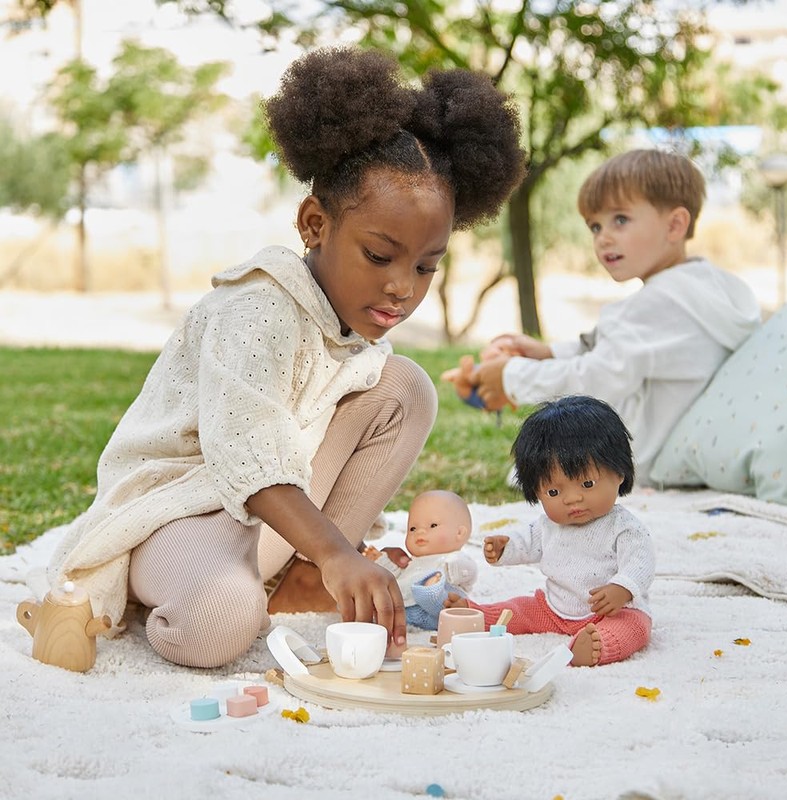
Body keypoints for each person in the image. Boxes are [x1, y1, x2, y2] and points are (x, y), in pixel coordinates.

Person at [45, 47, 527, 668]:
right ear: (314, 224)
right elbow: (248, 452)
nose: (403, 286)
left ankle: (299, 583)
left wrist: (327, 554)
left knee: (405, 386)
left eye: (426, 265)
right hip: (180, 512)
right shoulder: (256, 309)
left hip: (268, 517)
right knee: (219, 622)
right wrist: (337, 552)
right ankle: (147, 598)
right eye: (380, 256)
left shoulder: (348, 325)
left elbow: (306, 449)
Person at [442, 148, 761, 483]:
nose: (603, 238)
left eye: (620, 220)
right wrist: (548, 353)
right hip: (687, 449)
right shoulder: (706, 290)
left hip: (641, 464)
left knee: (545, 469)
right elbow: (618, 350)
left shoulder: (657, 303)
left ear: (675, 225)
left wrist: (513, 377)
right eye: (595, 226)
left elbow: (596, 380)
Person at [444, 395, 655, 667]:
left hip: (612, 612)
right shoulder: (548, 525)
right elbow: (528, 542)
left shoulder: (624, 528)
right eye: (554, 491)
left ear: (620, 473)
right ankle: (477, 616)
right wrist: (505, 548)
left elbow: (641, 562)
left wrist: (622, 589)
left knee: (634, 628)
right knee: (520, 609)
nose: (572, 499)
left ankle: (598, 645)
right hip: (554, 609)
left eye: (587, 484)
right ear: (536, 491)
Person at [363, 489, 477, 630]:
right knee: (383, 601)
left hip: (439, 609)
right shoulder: (412, 562)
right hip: (407, 609)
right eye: (412, 528)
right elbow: (396, 574)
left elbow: (468, 572)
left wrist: (451, 567)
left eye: (433, 525)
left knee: (439, 602)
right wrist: (380, 560)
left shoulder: (454, 559)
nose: (420, 532)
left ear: (459, 533)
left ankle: (430, 591)